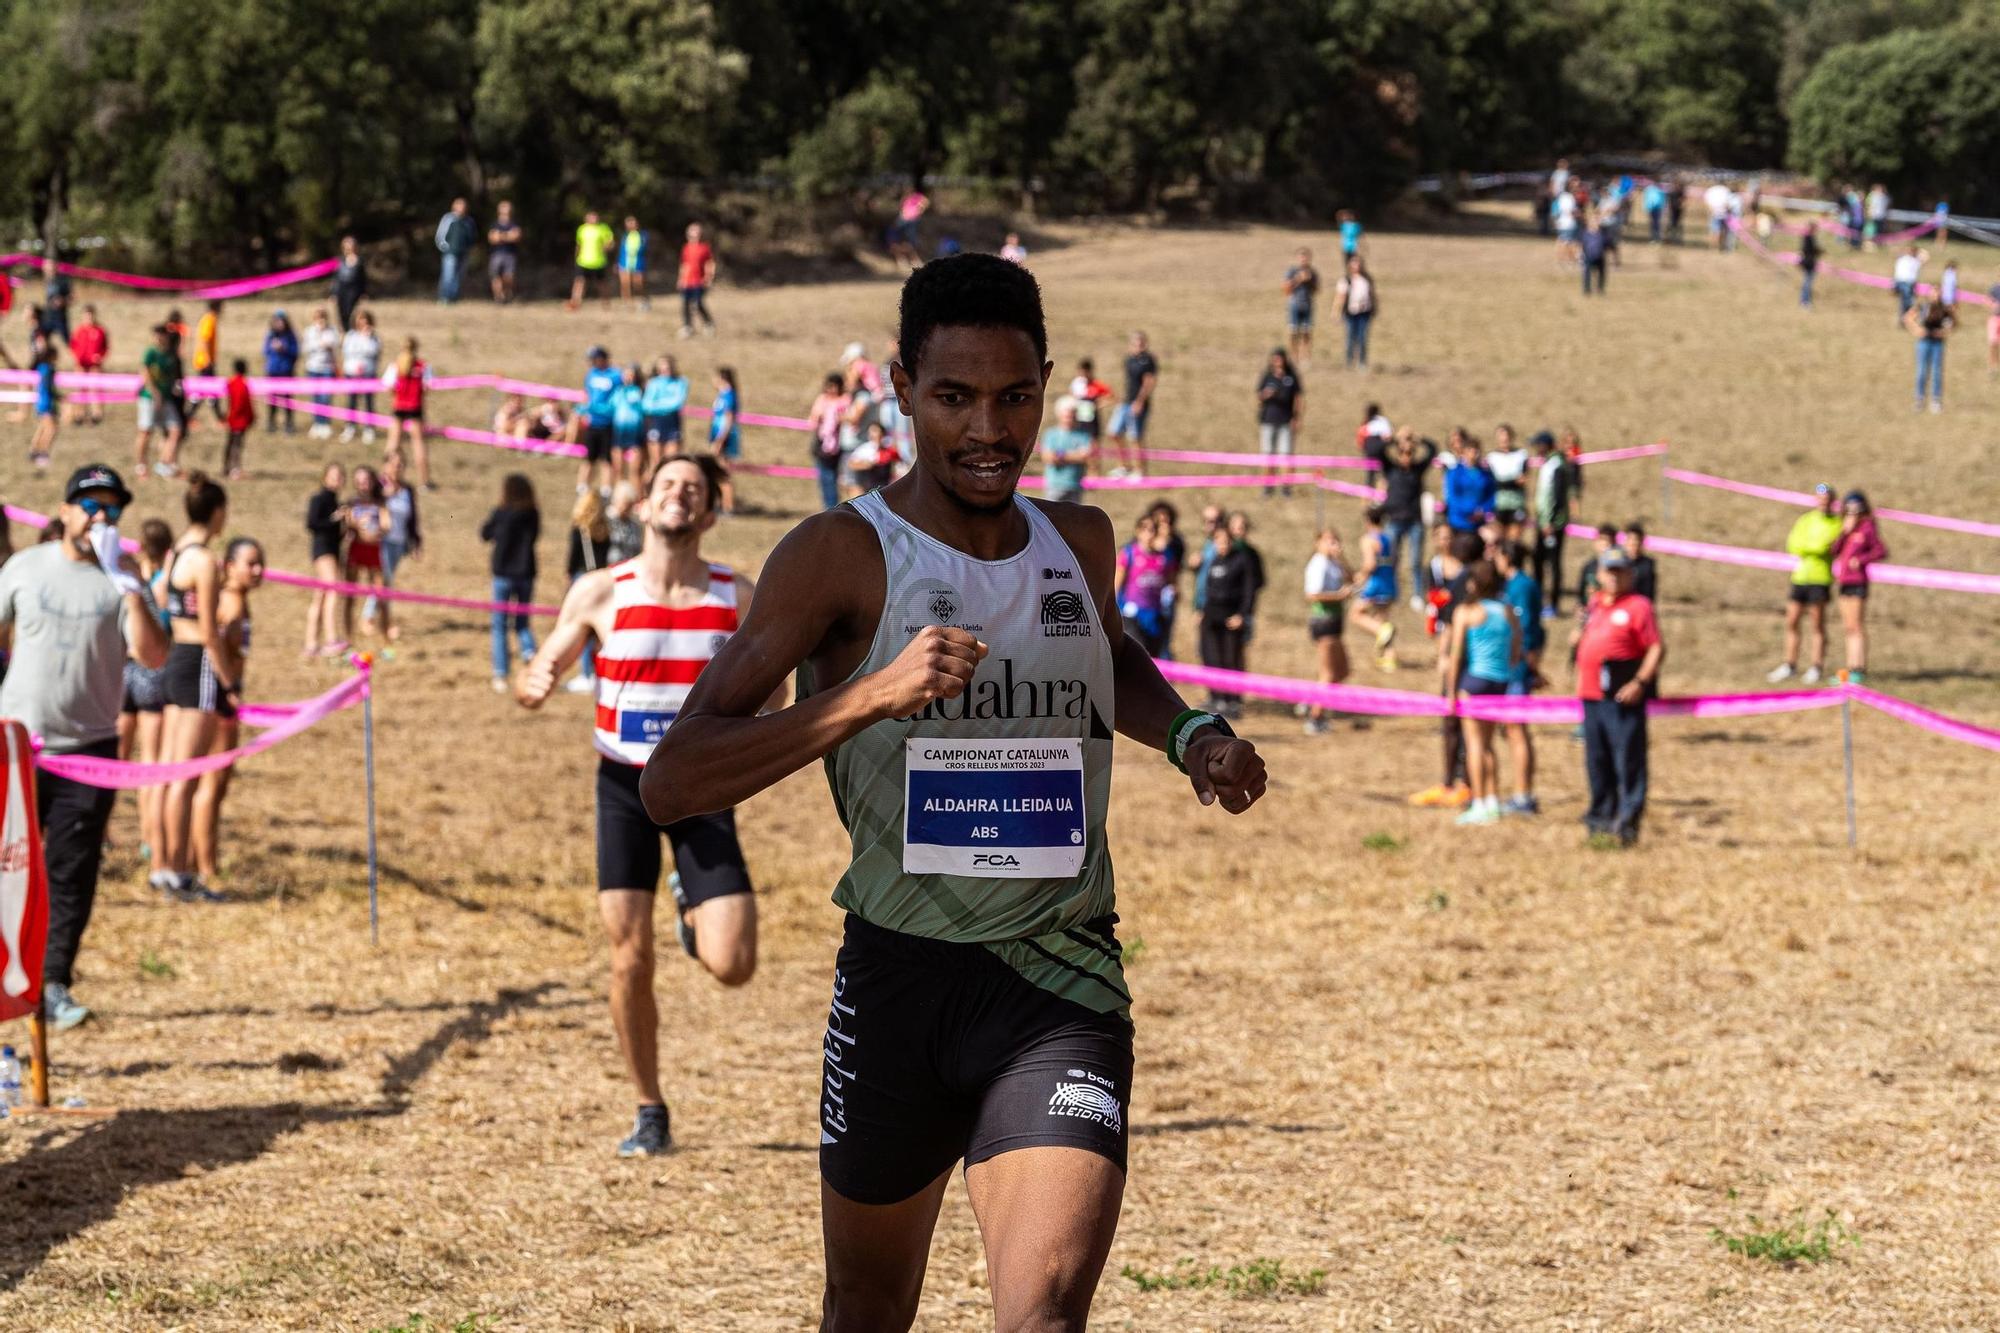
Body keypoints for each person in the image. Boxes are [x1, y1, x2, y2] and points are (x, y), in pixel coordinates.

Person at [635, 257, 1265, 1327]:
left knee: (1044, 1309)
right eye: (954, 397)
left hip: (1059, 979)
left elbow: (1107, 663)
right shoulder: (839, 556)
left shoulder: (1079, 541)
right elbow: (673, 776)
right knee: (868, 1307)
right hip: (897, 983)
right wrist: (869, 694)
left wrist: (1193, 735)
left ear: (1047, 387)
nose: (988, 428)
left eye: (1014, 396)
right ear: (900, 388)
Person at [519, 454, 766, 1157]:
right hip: (623, 786)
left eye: (693, 489)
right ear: (643, 504)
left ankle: (693, 902)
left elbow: (772, 688)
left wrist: (756, 719)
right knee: (629, 954)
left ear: (710, 513)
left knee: (735, 962)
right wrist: (533, 681)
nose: (679, 496)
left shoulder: (737, 594)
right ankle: (649, 1107)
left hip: (701, 788)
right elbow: (543, 667)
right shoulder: (601, 591)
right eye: (667, 485)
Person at [0, 464, 167, 1028]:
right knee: (8, 872)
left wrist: (131, 589)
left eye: (111, 508)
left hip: (89, 752)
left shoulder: (124, 581)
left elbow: (154, 656)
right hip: (16, 750)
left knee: (71, 873)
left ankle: (53, 984)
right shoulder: (25, 568)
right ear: (66, 511)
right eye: (90, 504)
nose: (100, 516)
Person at [157, 473, 233, 901]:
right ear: (217, 513)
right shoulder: (204, 561)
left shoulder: (175, 553)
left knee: (172, 773)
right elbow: (209, 630)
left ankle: (169, 866)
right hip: (198, 664)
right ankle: (180, 873)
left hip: (174, 660)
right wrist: (228, 680)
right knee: (185, 776)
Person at [1576, 548, 1663, 845]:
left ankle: (1627, 822)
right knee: (1596, 762)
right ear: (1599, 574)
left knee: (1627, 760)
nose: (1614, 577)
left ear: (1630, 573)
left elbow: (1655, 647)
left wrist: (1641, 681)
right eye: (1609, 571)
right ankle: (1600, 819)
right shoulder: (1594, 605)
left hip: (1622, 696)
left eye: (1620, 571)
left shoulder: (1639, 606)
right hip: (1591, 695)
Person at [190, 537, 263, 889]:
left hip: (228, 696)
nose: (258, 570)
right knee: (212, 783)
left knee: (218, 785)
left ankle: (202, 857)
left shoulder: (238, 602)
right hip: (221, 698)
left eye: (260, 562)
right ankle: (205, 865)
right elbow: (213, 644)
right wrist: (229, 686)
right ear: (229, 566)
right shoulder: (229, 604)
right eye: (251, 563)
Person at [1410, 528, 1483, 809]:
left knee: (1454, 723)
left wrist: (1445, 655)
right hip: (1473, 662)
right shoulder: (1477, 578)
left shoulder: (1466, 580)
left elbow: (1453, 626)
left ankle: (1456, 783)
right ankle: (1459, 782)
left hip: (1463, 661)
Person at [1445, 560, 1521, 827]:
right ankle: (1492, 800)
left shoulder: (1466, 611)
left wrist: (1451, 692)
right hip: (1500, 682)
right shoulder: (1506, 611)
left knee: (1475, 746)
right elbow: (1516, 649)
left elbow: (1455, 656)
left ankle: (1478, 802)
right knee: (1488, 746)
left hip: (1474, 681)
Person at [1767, 484, 1842, 685]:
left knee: (1817, 623)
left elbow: (1827, 545)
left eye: (1826, 498)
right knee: (1792, 620)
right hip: (1800, 577)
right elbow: (1794, 544)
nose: (1823, 502)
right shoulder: (1806, 520)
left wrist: (1812, 548)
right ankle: (1789, 664)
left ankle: (1816, 665)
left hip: (1821, 577)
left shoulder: (1837, 523)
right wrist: (1813, 548)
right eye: (1820, 497)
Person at [1493, 539, 1543, 815]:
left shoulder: (1521, 586)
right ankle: (1520, 791)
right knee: (1512, 731)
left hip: (1517, 670)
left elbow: (1525, 631)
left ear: (1506, 558)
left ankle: (1523, 795)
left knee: (1516, 730)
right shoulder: (1514, 585)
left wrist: (1529, 667)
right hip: (1512, 668)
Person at [1365, 424, 1435, 608]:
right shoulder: (1390, 469)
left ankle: (1418, 594)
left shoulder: (1418, 470)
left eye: (1410, 452)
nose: (1406, 456)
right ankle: (1390, 590)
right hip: (1394, 521)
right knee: (1391, 559)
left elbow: (1432, 449)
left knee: (1415, 561)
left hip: (1414, 522)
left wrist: (1416, 438)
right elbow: (1376, 450)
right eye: (1403, 452)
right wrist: (1396, 438)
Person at [481, 473, 540, 690]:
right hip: (526, 574)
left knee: (499, 625)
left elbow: (484, 533)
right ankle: (532, 658)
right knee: (523, 623)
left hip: (504, 574)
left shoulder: (502, 512)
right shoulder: (532, 513)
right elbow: (535, 537)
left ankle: (501, 674)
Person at [1200, 520, 1260, 716]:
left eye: (1226, 541)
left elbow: (1249, 590)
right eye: (1218, 541)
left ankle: (1232, 701)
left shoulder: (1242, 560)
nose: (1222, 544)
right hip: (1211, 615)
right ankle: (1217, 698)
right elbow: (1206, 588)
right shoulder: (1213, 560)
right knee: (1211, 657)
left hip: (1232, 616)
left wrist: (1243, 615)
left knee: (1230, 658)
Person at [1830, 491, 1886, 684]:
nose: (1852, 512)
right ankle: (1850, 666)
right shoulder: (1847, 529)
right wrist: (1844, 532)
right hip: (1844, 581)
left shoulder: (1867, 528)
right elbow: (1834, 550)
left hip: (1858, 581)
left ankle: (1858, 667)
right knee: (1847, 627)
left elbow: (1880, 550)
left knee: (1856, 626)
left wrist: (1860, 560)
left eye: (1856, 508)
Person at [1302, 528, 1352, 734]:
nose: (1333, 544)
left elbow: (1352, 578)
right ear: (1318, 543)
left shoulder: (1333, 563)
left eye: (1335, 540)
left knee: (1342, 670)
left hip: (1334, 621)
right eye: (1328, 540)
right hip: (1324, 621)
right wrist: (1338, 597)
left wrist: (1343, 558)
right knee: (1329, 673)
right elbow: (1312, 594)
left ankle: (1312, 701)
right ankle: (1315, 716)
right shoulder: (1318, 564)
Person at [564, 488, 614, 694]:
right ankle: (596, 671)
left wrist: (568, 579)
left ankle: (585, 673)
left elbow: (573, 559)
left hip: (583, 577)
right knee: (597, 632)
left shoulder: (580, 530)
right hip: (602, 579)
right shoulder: (604, 530)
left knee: (583, 628)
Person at [302, 462, 347, 657]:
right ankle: (331, 639)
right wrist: (334, 519)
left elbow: (336, 533)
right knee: (333, 590)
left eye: (340, 476)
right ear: (325, 477)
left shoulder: (337, 502)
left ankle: (311, 644)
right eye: (333, 475)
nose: (337, 479)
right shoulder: (319, 499)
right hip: (323, 550)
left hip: (332, 550)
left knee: (320, 595)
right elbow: (312, 523)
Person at [1529, 430, 1576, 614]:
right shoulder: (1549, 463)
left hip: (1552, 524)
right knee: (1539, 561)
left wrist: (1549, 522)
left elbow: (1555, 495)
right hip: (1544, 522)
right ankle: (1539, 599)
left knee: (1553, 563)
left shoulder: (1556, 465)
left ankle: (1553, 605)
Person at [1115, 514, 1174, 657]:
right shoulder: (1129, 553)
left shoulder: (1164, 557)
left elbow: (1171, 583)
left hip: (1155, 614)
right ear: (1138, 531)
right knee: (1137, 654)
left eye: (1152, 529)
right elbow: (1116, 585)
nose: (1149, 533)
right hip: (1131, 614)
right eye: (1145, 529)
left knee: (1152, 657)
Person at [1350, 504, 1399, 670]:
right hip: (1389, 581)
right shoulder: (1388, 538)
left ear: (1367, 520)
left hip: (1376, 583)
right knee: (1382, 619)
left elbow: (1370, 564)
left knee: (1356, 614)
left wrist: (1360, 576)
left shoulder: (1368, 539)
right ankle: (1388, 659)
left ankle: (1383, 630)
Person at [375, 456, 419, 642]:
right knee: (384, 582)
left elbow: (413, 518)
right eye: (393, 465)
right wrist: (386, 494)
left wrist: (415, 541)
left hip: (399, 542)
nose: (396, 468)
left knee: (387, 581)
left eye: (400, 465)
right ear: (385, 465)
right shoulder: (378, 487)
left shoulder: (407, 489)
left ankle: (375, 619)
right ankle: (374, 620)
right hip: (381, 541)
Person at [382, 337, 434, 488]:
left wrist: (397, 394)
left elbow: (388, 385)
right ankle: (425, 481)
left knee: (392, 444)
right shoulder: (423, 366)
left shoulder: (396, 365)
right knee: (418, 444)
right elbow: (427, 387)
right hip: (415, 407)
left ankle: (385, 479)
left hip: (399, 406)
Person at [342, 467, 387, 642]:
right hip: (357, 550)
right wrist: (354, 523)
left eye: (366, 480)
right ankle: (348, 637)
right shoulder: (351, 503)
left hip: (375, 550)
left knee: (381, 592)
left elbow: (385, 524)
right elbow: (349, 525)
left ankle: (385, 636)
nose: (363, 485)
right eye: (359, 481)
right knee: (349, 595)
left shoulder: (380, 503)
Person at [1108, 331, 1157, 479]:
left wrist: (1140, 401)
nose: (1138, 346)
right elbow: (1129, 382)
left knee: (1135, 437)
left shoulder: (1148, 361)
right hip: (1126, 402)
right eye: (1135, 343)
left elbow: (1149, 382)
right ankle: (1123, 466)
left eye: (1141, 343)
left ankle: (1140, 470)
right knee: (1114, 432)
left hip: (1138, 404)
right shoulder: (1129, 360)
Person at [1255, 348, 1303, 497]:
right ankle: (1268, 486)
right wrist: (1265, 395)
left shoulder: (1291, 378)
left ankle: (1286, 487)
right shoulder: (1267, 377)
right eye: (1274, 359)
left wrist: (1297, 418)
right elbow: (1258, 396)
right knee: (1268, 454)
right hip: (1268, 421)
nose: (1277, 362)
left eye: (1279, 358)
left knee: (1286, 455)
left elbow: (1298, 399)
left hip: (1286, 422)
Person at [579, 347, 622, 495]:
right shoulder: (591, 374)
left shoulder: (615, 375)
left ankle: (606, 488)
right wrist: (584, 411)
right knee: (589, 457)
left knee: (606, 458)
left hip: (608, 423)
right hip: (593, 422)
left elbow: (618, 396)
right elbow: (587, 393)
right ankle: (582, 486)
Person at [809, 371, 852, 512]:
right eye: (830, 387)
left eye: (835, 387)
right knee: (826, 478)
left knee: (843, 479)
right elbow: (813, 420)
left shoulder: (846, 399)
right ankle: (830, 507)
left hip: (841, 445)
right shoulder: (822, 400)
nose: (832, 390)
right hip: (823, 445)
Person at [1904, 293, 1953, 413]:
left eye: (1938, 292)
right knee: (1921, 371)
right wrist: (1916, 329)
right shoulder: (1923, 306)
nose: (1936, 295)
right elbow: (1907, 317)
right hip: (1924, 342)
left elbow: (1953, 323)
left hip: (1937, 343)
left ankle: (1936, 401)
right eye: (1934, 292)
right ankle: (1919, 400)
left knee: (1937, 372)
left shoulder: (1944, 309)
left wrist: (1943, 332)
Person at [1038, 396, 1091, 504]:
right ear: (1059, 415)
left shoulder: (1083, 435)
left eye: (1072, 414)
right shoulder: (1050, 435)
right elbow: (1048, 458)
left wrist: (1060, 455)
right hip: (1054, 485)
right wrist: (1074, 455)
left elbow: (1085, 457)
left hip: (1074, 485)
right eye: (1067, 415)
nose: (1069, 418)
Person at [340, 309, 381, 442]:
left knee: (368, 402)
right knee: (351, 401)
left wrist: (367, 337)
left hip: (368, 373)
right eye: (360, 319)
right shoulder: (350, 335)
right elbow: (347, 351)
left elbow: (373, 351)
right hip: (351, 373)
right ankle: (350, 427)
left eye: (365, 319)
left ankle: (369, 428)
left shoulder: (374, 337)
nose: (362, 322)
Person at [641, 355, 688, 472]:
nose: (665, 370)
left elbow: (676, 403)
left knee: (671, 461)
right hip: (656, 423)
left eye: (667, 367)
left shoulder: (681, 382)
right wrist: (665, 405)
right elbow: (646, 405)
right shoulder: (653, 383)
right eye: (662, 367)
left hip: (672, 423)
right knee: (655, 463)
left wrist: (657, 405)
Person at [1442, 430, 1495, 533]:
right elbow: (1452, 497)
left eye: (1476, 450)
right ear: (1464, 452)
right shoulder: (1454, 473)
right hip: (1458, 522)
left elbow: (1491, 495)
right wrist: (1469, 511)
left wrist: (1483, 510)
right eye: (1470, 450)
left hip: (1479, 522)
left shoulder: (1486, 474)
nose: (1474, 454)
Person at [301, 308, 340, 438]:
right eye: (318, 317)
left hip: (327, 368)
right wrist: (319, 343)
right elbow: (305, 347)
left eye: (322, 317)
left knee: (325, 397)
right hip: (313, 368)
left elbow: (336, 344)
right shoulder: (309, 331)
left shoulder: (331, 331)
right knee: (315, 397)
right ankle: (317, 423)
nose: (320, 319)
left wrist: (327, 343)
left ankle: (325, 424)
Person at [67, 305, 108, 426]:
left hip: (94, 364)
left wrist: (100, 356)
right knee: (80, 388)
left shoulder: (100, 331)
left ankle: (97, 413)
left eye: (90, 316)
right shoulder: (79, 331)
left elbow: (105, 347)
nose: (88, 319)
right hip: (81, 364)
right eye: (86, 316)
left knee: (96, 388)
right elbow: (73, 346)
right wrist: (77, 357)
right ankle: (80, 413)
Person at [707, 368, 740, 515]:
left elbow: (728, 418)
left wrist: (720, 439)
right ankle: (722, 504)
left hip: (725, 435)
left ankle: (728, 506)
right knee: (719, 471)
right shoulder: (723, 395)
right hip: (719, 433)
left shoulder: (729, 395)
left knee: (723, 472)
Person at [1334, 255, 1376, 368]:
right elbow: (1340, 297)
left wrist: (1374, 308)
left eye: (1358, 263)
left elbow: (1372, 295)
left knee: (1362, 338)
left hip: (1364, 313)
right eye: (1354, 263)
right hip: (1351, 313)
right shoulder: (1346, 280)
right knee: (1350, 338)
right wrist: (1336, 312)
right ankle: (1349, 361)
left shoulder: (1366, 280)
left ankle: (1362, 362)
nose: (1356, 266)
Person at [570, 210, 616, 309]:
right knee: (579, 282)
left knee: (601, 284)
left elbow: (611, 243)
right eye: (591, 217)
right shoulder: (581, 229)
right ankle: (575, 303)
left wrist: (606, 247)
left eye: (595, 216)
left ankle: (606, 303)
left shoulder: (603, 228)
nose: (594, 218)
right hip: (583, 261)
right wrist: (576, 257)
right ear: (586, 218)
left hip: (599, 262)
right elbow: (578, 245)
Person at [677, 223, 716, 337]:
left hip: (699, 281)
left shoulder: (704, 248)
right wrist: (681, 279)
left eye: (697, 232)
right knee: (685, 304)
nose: (694, 235)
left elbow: (710, 263)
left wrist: (709, 277)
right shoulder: (686, 248)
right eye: (692, 232)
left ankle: (708, 323)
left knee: (698, 303)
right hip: (687, 281)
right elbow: (684, 264)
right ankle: (687, 326)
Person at [436, 197, 478, 304]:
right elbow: (440, 235)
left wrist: (469, 249)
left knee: (459, 277)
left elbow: (472, 237)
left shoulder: (469, 221)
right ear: (454, 206)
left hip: (463, 253)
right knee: (448, 276)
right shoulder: (448, 219)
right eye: (459, 205)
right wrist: (445, 248)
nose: (461, 208)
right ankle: (444, 297)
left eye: (463, 205)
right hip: (450, 253)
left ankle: (453, 298)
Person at [263, 311, 298, 434]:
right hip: (273, 371)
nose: (279, 324)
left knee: (287, 400)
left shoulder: (290, 336)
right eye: (276, 321)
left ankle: (288, 424)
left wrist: (284, 348)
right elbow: (265, 351)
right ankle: (271, 422)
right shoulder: (270, 335)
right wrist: (272, 348)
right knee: (272, 399)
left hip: (286, 371)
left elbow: (296, 352)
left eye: (281, 321)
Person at [28, 331, 59, 470]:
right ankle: (42, 452)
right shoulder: (49, 369)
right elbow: (48, 386)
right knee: (51, 429)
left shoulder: (41, 367)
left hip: (41, 401)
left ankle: (34, 450)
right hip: (46, 402)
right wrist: (58, 396)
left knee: (43, 427)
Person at [1283, 247, 1318, 365]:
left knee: (1306, 332)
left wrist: (1310, 281)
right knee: (1293, 332)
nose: (1304, 259)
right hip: (1294, 305)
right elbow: (1286, 290)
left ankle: (1306, 358)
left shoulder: (1312, 273)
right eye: (1301, 257)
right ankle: (1293, 357)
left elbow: (1316, 290)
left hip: (1307, 305)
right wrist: (1298, 279)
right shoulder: (1292, 272)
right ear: (1297, 258)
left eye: (1306, 257)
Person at [612, 364, 646, 485]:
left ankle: (637, 499)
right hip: (619, 431)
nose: (628, 377)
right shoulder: (618, 390)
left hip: (635, 432)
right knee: (618, 469)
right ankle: (617, 498)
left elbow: (643, 407)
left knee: (635, 471)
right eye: (626, 374)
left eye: (631, 374)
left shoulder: (639, 391)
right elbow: (610, 407)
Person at [221, 359, 254, 480]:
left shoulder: (231, 383)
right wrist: (251, 418)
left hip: (232, 419)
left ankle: (226, 467)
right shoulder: (243, 385)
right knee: (237, 445)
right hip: (239, 421)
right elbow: (244, 404)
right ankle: (234, 469)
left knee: (230, 444)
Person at [192, 300, 223, 422]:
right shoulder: (210, 319)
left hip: (203, 360)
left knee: (206, 390)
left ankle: (219, 416)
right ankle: (219, 417)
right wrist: (208, 359)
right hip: (205, 361)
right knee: (208, 391)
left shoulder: (207, 318)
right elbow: (205, 339)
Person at [487, 201, 522, 305]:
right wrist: (508, 236)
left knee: (509, 277)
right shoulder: (494, 224)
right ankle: (498, 298)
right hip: (496, 254)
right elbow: (492, 238)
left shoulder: (514, 224)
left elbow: (517, 236)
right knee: (495, 277)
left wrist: (500, 236)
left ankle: (507, 294)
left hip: (510, 254)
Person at [333, 235, 368, 331]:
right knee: (342, 313)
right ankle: (345, 331)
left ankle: (352, 330)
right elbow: (336, 278)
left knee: (351, 313)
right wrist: (334, 293)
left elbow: (363, 279)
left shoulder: (360, 261)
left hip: (353, 291)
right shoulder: (340, 261)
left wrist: (363, 292)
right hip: (342, 290)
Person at [887, 186, 929, 268]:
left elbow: (926, 202)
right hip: (902, 220)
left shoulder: (916, 196)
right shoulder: (906, 198)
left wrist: (920, 209)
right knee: (896, 240)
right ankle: (902, 260)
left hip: (911, 220)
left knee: (909, 241)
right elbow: (902, 208)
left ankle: (914, 261)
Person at [606, 479, 642, 566]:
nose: (627, 508)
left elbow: (638, 550)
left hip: (628, 570)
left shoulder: (635, 526)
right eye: (625, 503)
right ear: (616, 500)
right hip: (607, 570)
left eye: (630, 505)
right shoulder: (606, 521)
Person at [617, 216, 650, 309]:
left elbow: (644, 249)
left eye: (632, 222)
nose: (631, 225)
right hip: (624, 262)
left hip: (638, 262)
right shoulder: (624, 236)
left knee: (638, 284)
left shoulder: (643, 235)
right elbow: (621, 250)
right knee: (625, 283)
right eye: (628, 222)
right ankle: (627, 303)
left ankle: (643, 300)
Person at [1621, 522, 1658, 603]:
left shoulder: (1648, 565)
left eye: (1637, 540)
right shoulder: (1619, 563)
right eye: (1630, 540)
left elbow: (1650, 593)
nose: (1633, 544)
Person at [1891, 244, 1926, 319]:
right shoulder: (1905, 259)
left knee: (1905, 302)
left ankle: (1904, 318)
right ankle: (1906, 318)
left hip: (1907, 283)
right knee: (1908, 303)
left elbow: (1925, 258)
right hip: (1905, 283)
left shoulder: (1913, 260)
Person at [1580, 214, 1609, 295]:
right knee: (1587, 273)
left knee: (1601, 274)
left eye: (1597, 222)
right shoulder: (1585, 233)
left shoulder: (1602, 233)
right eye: (1594, 221)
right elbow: (1582, 244)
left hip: (1600, 256)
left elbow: (1607, 244)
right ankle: (1587, 289)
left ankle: (1600, 289)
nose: (1596, 223)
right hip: (1588, 256)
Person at [1798, 223, 1821, 308]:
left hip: (1810, 263)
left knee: (1807, 282)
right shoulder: (1808, 238)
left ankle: (1805, 300)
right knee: (1807, 283)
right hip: (1809, 263)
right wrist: (1817, 251)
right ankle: (1805, 301)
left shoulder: (1808, 238)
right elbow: (1807, 250)